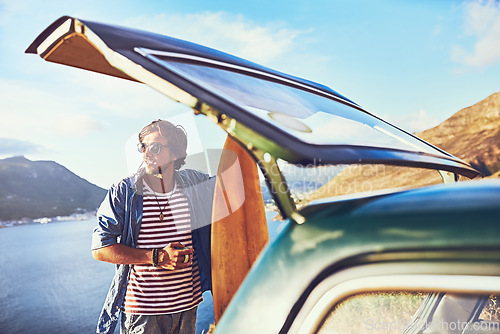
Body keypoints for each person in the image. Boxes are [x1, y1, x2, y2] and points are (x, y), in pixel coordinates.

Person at [92, 120, 215, 334]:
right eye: (143, 147)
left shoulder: (194, 183)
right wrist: (156, 256)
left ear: (175, 154)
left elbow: (231, 185)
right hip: (143, 313)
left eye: (155, 148)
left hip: (187, 308)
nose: (146, 153)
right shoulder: (125, 192)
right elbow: (100, 249)